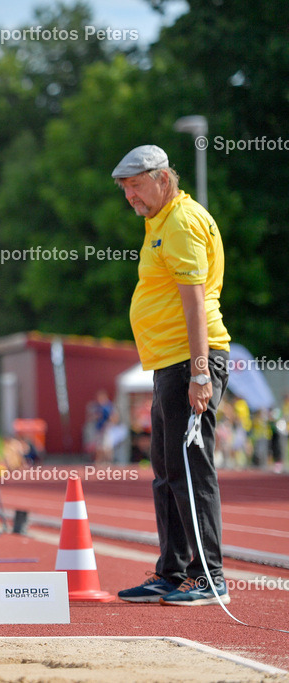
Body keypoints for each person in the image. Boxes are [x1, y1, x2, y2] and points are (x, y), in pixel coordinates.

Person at [112, 145, 231, 606]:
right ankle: (173, 571)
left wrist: (200, 373)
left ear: (163, 179)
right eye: (125, 190)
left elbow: (195, 300)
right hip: (169, 364)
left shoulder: (180, 221)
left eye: (136, 186)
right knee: (165, 472)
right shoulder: (159, 221)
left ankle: (209, 576)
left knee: (190, 470)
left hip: (191, 361)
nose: (130, 197)